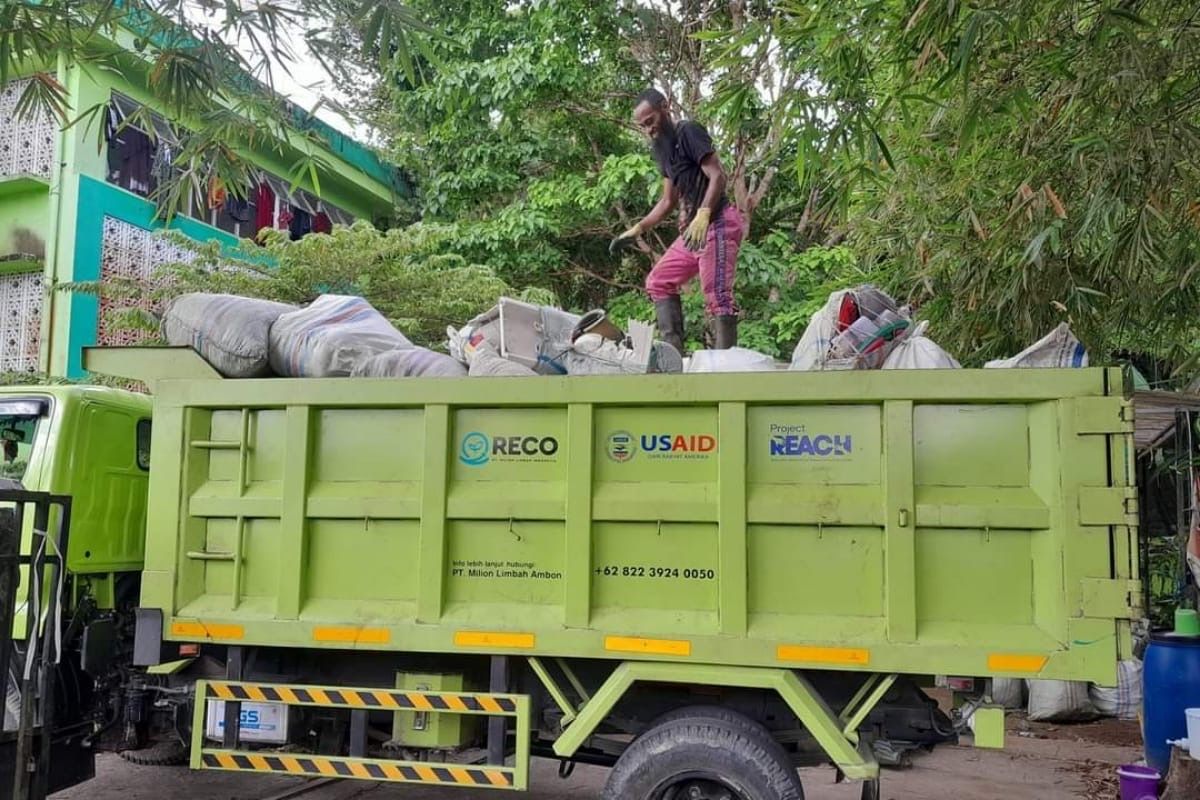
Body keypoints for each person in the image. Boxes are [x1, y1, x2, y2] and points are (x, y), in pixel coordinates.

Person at [610, 88, 745, 352]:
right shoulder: (663, 150)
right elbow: (667, 202)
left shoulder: (688, 132)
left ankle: (725, 369)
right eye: (643, 126)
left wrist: (704, 213)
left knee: (717, 296)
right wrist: (636, 230)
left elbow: (718, 175)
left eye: (650, 121)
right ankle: (673, 358)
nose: (648, 130)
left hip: (717, 222)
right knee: (658, 281)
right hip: (694, 233)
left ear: (665, 107)